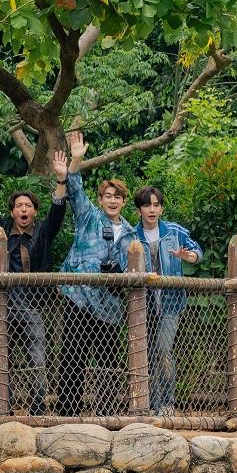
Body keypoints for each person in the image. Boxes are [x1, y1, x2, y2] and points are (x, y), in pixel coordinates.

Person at [0, 148, 68, 415]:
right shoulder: (1, 229)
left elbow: (58, 209)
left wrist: (61, 179)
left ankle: (37, 409)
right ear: (13, 211)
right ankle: (5, 408)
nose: (23, 209)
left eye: (28, 206)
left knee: (37, 359)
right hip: (3, 305)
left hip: (32, 306)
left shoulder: (43, 232)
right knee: (2, 359)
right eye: (19, 206)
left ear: (34, 211)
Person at [57, 131, 133, 416]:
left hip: (109, 305)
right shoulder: (89, 217)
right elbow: (75, 189)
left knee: (107, 360)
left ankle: (106, 413)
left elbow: (134, 271)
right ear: (101, 199)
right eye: (108, 196)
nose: (113, 201)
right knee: (72, 355)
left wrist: (120, 274)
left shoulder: (131, 234)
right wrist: (76, 159)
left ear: (124, 201)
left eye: (118, 197)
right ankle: (67, 411)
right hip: (79, 296)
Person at [117, 186, 203, 416]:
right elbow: (123, 267)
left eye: (156, 205)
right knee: (145, 354)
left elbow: (197, 252)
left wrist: (188, 256)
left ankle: (166, 403)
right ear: (139, 210)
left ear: (162, 208)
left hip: (170, 303)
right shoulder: (131, 236)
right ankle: (147, 404)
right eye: (147, 205)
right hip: (142, 305)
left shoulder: (174, 231)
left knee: (164, 350)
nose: (152, 209)